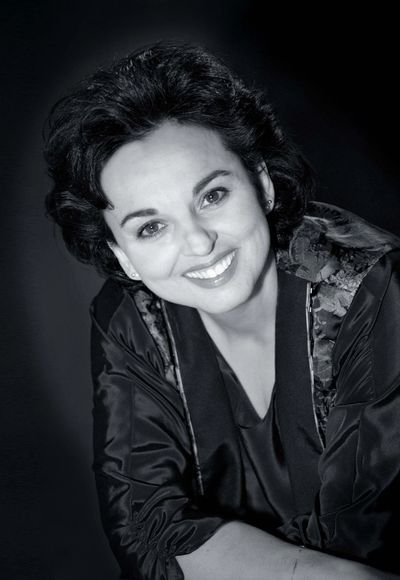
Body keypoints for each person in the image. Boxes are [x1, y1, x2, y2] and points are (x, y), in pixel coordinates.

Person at [44, 42, 400, 579]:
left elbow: (366, 548)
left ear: (261, 184)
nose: (199, 243)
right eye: (151, 227)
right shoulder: (131, 318)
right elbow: (144, 523)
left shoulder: (370, 288)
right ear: (124, 256)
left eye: (211, 196)